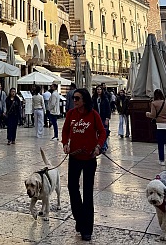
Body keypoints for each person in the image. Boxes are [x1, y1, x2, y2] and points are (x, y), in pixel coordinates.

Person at [62, 88, 107, 241]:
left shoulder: (93, 115)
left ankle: (87, 228)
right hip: (74, 157)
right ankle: (79, 218)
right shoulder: (71, 114)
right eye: (73, 98)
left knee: (88, 192)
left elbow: (102, 132)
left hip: (89, 158)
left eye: (77, 98)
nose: (74, 101)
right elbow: (65, 131)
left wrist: (98, 146)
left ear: (85, 100)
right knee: (72, 188)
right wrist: (65, 144)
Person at [146, 88, 166, 167]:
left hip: (160, 125)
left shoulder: (154, 103)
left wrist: (148, 114)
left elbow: (153, 115)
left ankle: (162, 160)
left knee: (161, 143)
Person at [92, 86, 111, 152]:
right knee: (97, 132)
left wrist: (107, 118)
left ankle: (103, 146)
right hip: (96, 118)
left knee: (104, 132)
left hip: (103, 118)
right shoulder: (94, 98)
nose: (99, 90)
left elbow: (108, 109)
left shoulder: (105, 99)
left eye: (100, 89)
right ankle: (102, 145)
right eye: (98, 89)